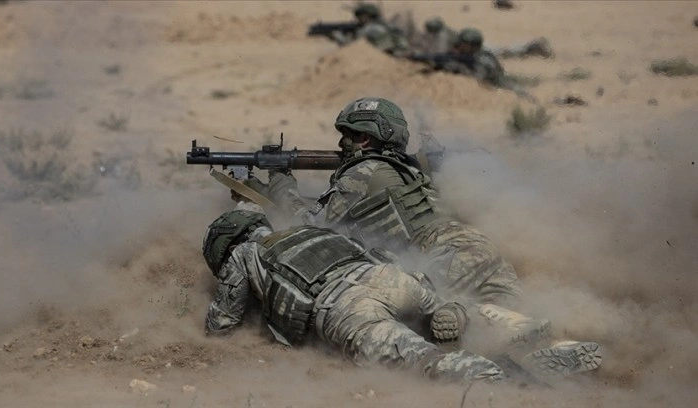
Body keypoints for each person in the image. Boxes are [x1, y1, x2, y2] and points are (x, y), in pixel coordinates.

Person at [203, 205, 602, 383]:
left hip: (343, 305)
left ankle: (496, 380)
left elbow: (223, 322)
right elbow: (374, 252)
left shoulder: (245, 253)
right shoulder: (310, 230)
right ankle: (530, 334)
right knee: (451, 314)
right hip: (388, 277)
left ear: (226, 243)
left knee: (416, 356)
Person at [263, 97, 523, 310]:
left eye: (347, 135)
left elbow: (307, 226)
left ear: (365, 138)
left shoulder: (364, 170)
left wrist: (280, 182)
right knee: (503, 326)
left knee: (404, 314)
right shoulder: (410, 169)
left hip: (447, 256)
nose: (341, 143)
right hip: (478, 250)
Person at [416, 17, 552, 59]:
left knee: (503, 52)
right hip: (473, 48)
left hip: (478, 49)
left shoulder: (445, 37)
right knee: (503, 51)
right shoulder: (443, 34)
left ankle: (532, 46)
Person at [329, 2, 410, 57]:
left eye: (360, 16)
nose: (358, 19)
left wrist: (338, 36)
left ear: (366, 16)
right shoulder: (384, 25)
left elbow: (353, 45)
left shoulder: (371, 29)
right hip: (397, 53)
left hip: (389, 57)